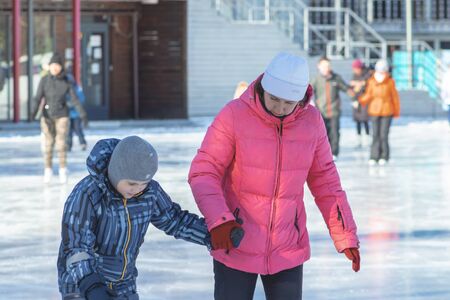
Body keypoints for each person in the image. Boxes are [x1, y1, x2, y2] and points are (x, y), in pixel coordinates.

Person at [189, 52, 360, 300]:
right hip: (235, 239)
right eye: (274, 99)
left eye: (289, 102)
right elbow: (204, 170)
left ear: (302, 98)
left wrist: (345, 234)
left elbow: (326, 182)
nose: (280, 108)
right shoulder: (234, 114)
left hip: (288, 245)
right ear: (263, 88)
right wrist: (220, 220)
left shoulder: (311, 121)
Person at [57, 136, 211, 300]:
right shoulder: (88, 194)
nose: (137, 189)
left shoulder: (149, 193)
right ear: (116, 172)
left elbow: (174, 219)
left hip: (123, 284)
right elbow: (76, 246)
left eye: (143, 183)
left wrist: (210, 234)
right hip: (82, 284)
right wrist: (91, 285)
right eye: (131, 183)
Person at [32, 53, 88, 184]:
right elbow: (38, 97)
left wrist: (82, 114)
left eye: (57, 65)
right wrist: (32, 113)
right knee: (48, 144)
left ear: (61, 67)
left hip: (62, 115)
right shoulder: (44, 80)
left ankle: (63, 169)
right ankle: (48, 170)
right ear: (49, 67)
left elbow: (74, 99)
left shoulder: (66, 81)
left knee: (61, 143)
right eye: (53, 65)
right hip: (47, 116)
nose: (55, 68)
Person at [310, 57, 355, 160]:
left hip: (334, 111)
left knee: (335, 133)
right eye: (324, 66)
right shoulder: (316, 79)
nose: (326, 68)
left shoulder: (336, 78)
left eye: (328, 66)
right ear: (319, 67)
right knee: (323, 135)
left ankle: (334, 152)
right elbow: (308, 92)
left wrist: (354, 93)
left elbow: (346, 88)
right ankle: (323, 153)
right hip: (321, 112)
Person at [359, 59, 400, 165]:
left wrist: (396, 111)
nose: (381, 71)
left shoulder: (390, 81)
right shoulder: (371, 81)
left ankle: (384, 156)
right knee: (375, 134)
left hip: (387, 111)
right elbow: (369, 94)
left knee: (384, 134)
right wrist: (361, 100)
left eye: (383, 69)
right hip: (374, 110)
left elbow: (394, 97)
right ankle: (374, 156)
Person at [350, 59, 372, 147]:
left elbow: (367, 84)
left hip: (364, 101)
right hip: (356, 101)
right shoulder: (354, 75)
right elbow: (352, 87)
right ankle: (358, 140)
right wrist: (353, 99)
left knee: (365, 120)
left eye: (356, 68)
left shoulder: (367, 74)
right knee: (358, 121)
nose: (355, 70)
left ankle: (368, 138)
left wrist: (360, 84)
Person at [65, 71, 87, 151]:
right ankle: (68, 145)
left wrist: (74, 105)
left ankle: (82, 143)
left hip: (76, 114)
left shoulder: (77, 88)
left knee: (78, 129)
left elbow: (82, 99)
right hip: (68, 114)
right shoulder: (64, 89)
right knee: (68, 131)